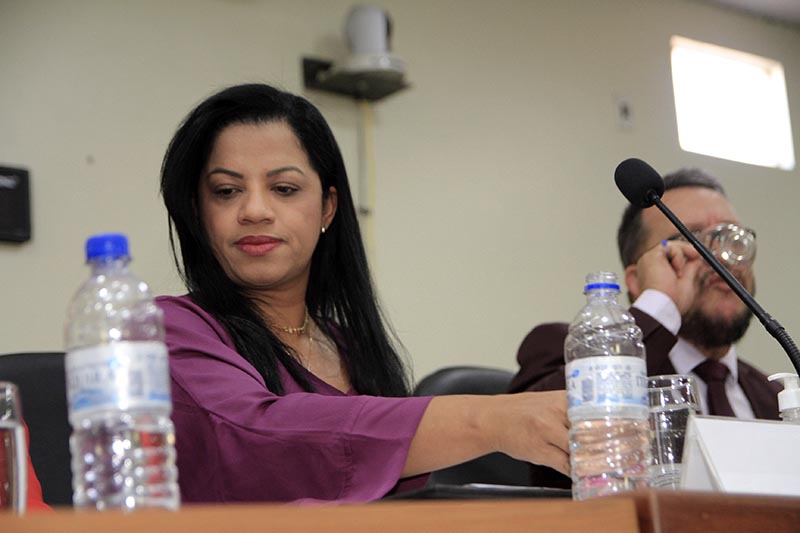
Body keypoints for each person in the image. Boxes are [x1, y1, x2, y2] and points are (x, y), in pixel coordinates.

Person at [157, 83, 569, 504]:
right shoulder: (168, 330)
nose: (255, 210)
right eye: (227, 191)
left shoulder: (351, 347)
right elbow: (259, 437)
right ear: (199, 213)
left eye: (284, 188)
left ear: (327, 207)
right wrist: (490, 420)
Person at [508, 168, 782, 488]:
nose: (722, 259)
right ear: (637, 280)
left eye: (731, 238)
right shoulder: (570, 351)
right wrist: (658, 305)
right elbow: (526, 430)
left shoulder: (776, 398)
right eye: (691, 240)